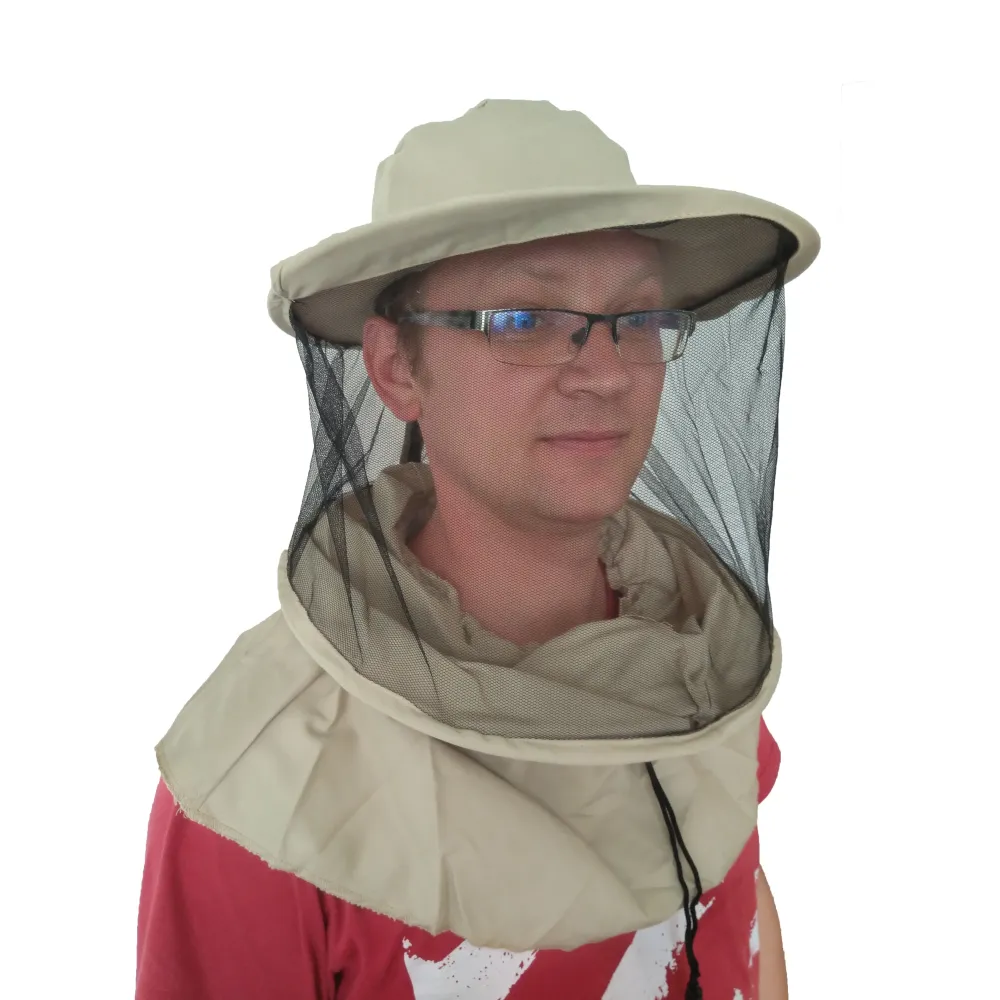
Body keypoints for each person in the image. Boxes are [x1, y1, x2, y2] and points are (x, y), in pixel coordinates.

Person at [137, 99, 819, 999]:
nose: (607, 371)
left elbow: (734, 901)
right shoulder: (259, 788)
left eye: (638, 318)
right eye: (523, 320)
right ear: (397, 368)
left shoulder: (692, 651)